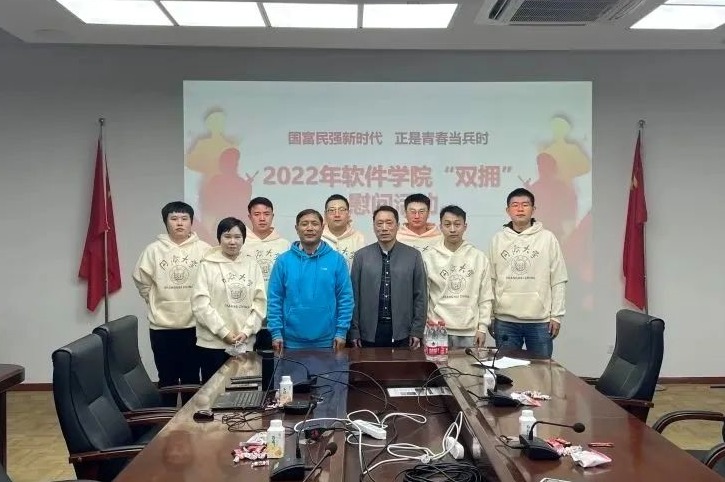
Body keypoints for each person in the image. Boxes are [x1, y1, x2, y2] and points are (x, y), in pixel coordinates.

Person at [133, 201, 211, 404]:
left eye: (184, 218)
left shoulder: (205, 250)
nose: (179, 223)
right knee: (167, 379)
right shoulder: (153, 250)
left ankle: (189, 420)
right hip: (162, 327)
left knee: (192, 378)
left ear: (191, 222)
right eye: (174, 218)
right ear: (166, 222)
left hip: (195, 325)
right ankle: (166, 420)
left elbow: (213, 283)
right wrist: (155, 300)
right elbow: (142, 280)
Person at [488, 188, 568, 358]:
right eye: (515, 205)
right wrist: (490, 315)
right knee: (507, 370)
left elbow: (558, 279)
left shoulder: (547, 238)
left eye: (525, 205)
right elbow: (491, 280)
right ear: (508, 210)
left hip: (540, 321)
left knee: (541, 370)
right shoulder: (498, 239)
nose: (520, 209)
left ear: (533, 209)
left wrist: (556, 316)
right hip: (505, 320)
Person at [191, 217, 266, 382]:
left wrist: (246, 331)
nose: (232, 242)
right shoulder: (207, 265)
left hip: (244, 342)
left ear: (243, 239)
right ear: (219, 238)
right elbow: (200, 304)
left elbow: (260, 303)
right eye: (227, 236)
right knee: (212, 391)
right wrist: (223, 332)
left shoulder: (252, 265)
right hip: (213, 344)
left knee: (244, 390)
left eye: (237, 237)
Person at [267, 209, 353, 351]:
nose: (309, 228)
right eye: (304, 224)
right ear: (297, 228)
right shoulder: (283, 261)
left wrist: (341, 331)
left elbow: (345, 298)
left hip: (328, 341)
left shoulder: (337, 260)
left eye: (314, 223)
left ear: (322, 228)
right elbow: (274, 299)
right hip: (290, 342)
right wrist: (276, 333)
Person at [350, 206, 427, 348]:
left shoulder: (413, 256)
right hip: (369, 330)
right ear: (374, 227)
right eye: (379, 224)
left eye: (389, 223)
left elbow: (420, 296)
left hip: (402, 331)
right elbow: (354, 296)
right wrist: (354, 331)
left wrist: (417, 330)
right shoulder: (361, 256)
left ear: (398, 226)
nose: (384, 228)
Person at [423, 205, 493, 349]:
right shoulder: (429, 257)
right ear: (441, 227)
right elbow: (423, 296)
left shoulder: (478, 257)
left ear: (465, 226)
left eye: (457, 224)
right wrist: (424, 327)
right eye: (447, 224)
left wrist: (482, 328)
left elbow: (485, 297)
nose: (453, 229)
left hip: (469, 331)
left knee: (468, 365)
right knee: (435, 365)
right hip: (437, 330)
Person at [241, 197, 291, 286]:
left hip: (276, 294)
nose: (262, 218)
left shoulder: (285, 245)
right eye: (257, 214)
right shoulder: (241, 244)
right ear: (250, 217)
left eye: (266, 214)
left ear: (272, 216)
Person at [322, 194, 365, 269]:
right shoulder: (318, 238)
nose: (337, 215)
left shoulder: (359, 238)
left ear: (348, 213)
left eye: (341, 210)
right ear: (325, 214)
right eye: (332, 210)